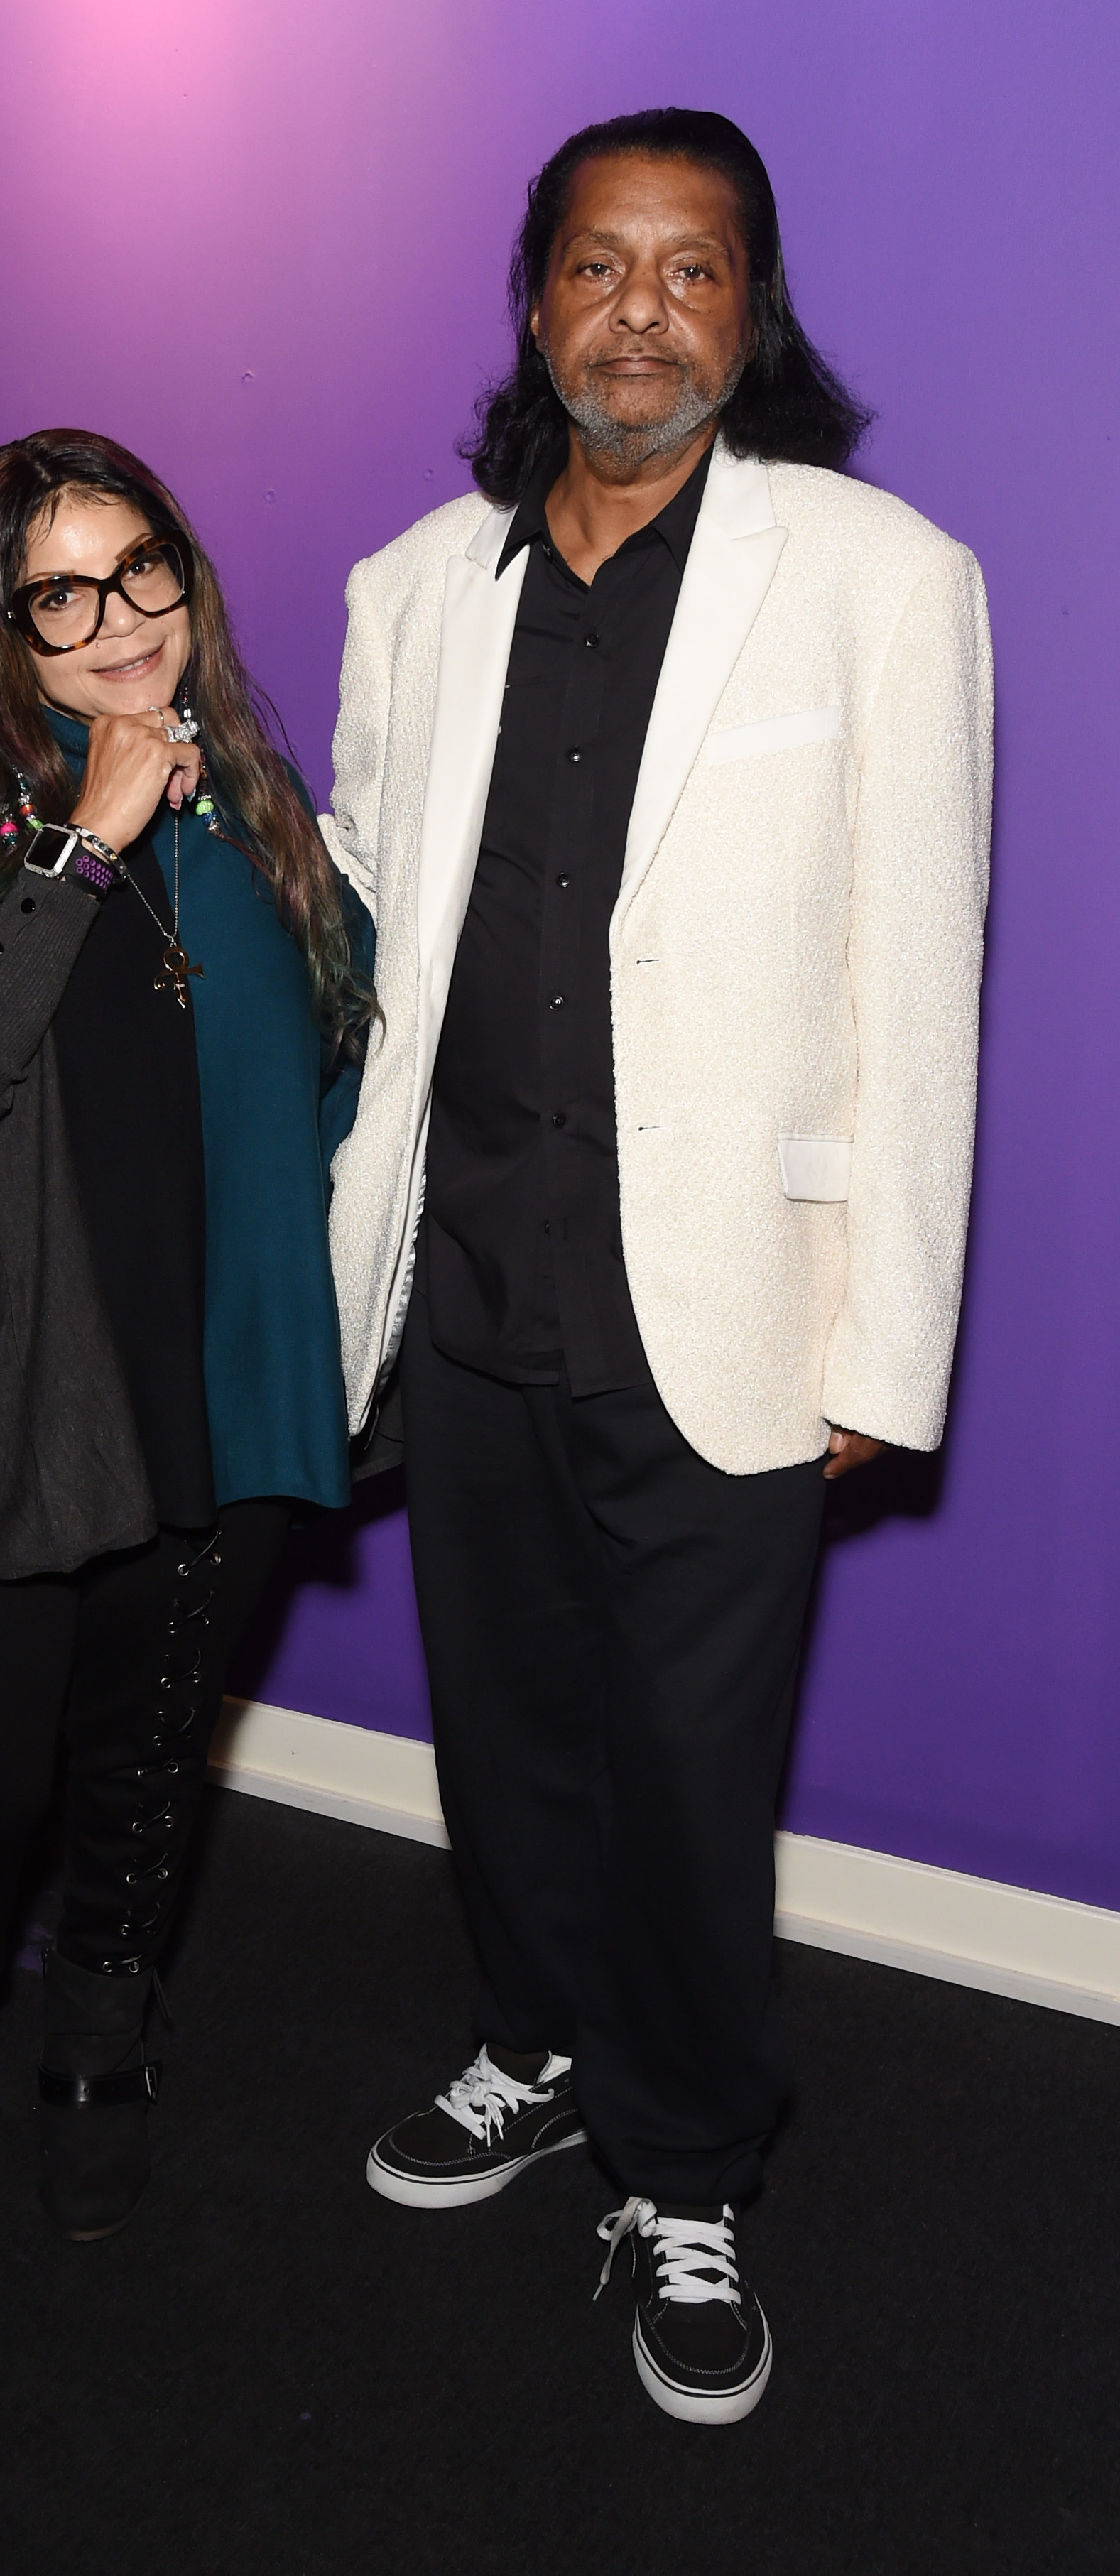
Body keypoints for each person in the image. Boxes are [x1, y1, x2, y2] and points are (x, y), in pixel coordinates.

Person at [323, 111, 989, 2420]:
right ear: (534, 306)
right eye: (596, 266)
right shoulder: (412, 586)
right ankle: (529, 2043)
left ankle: (685, 2158)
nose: (637, 309)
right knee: (500, 1739)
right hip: (468, 1292)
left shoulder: (878, 575)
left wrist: (877, 1342)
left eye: (687, 269)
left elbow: (919, 982)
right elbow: (367, 931)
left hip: (728, 1307)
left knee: (691, 1777)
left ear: (748, 308)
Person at [0, 429, 373, 2259]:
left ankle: (99, 2053)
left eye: (146, 568)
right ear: (4, 628)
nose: (122, 619)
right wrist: (86, 843)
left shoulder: (257, 801)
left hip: (220, 1364)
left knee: (150, 1756)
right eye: (63, 593)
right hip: (20, 1391)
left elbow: (335, 1043)